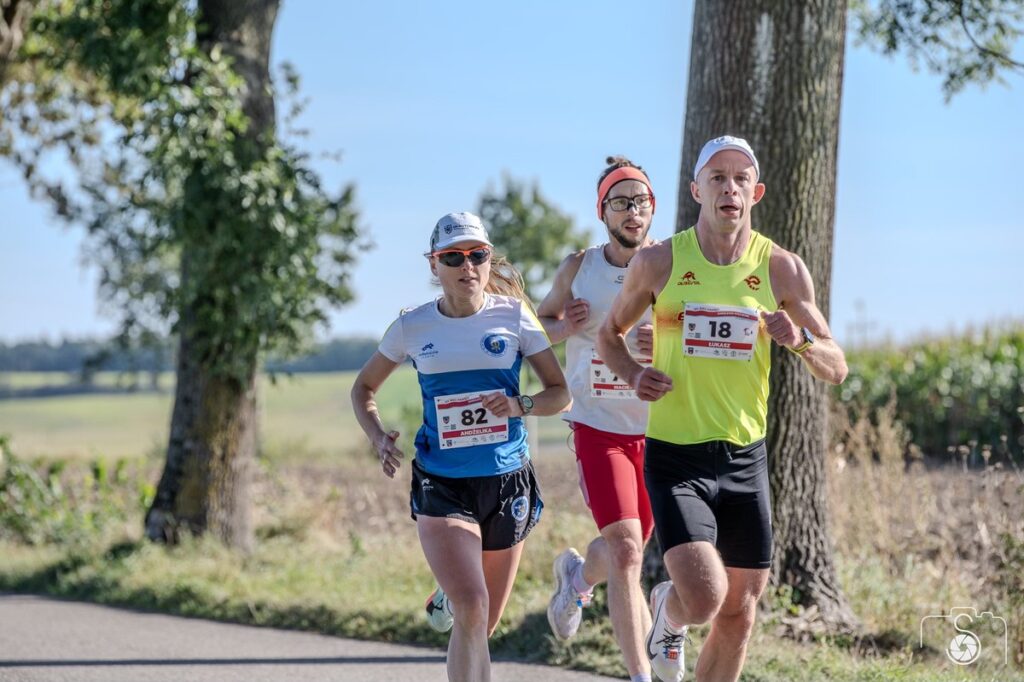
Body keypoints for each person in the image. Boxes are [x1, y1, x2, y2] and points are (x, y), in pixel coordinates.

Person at [596, 136, 848, 682]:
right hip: (676, 456)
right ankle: (668, 608)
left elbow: (836, 364)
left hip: (745, 459)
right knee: (707, 596)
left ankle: (675, 617)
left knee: (740, 611)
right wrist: (635, 374)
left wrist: (799, 340)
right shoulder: (659, 262)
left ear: (754, 193)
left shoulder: (782, 269)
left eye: (740, 179)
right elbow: (609, 334)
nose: (729, 187)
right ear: (696, 191)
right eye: (717, 177)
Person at [351, 211, 571, 682]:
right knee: (473, 606)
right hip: (442, 483)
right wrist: (377, 437)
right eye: (453, 257)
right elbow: (363, 388)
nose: (466, 266)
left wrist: (518, 404)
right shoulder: (413, 326)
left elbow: (560, 392)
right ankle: (456, 591)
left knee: (480, 624)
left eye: (477, 255)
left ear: (490, 261)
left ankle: (449, 592)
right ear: (434, 265)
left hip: (507, 480)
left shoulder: (514, 317)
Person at [537, 156, 658, 682]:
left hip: (659, 430)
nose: (633, 211)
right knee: (628, 551)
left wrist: (665, 346)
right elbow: (537, 326)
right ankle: (643, 674)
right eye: (621, 202)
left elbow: (694, 337)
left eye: (642, 201)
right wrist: (565, 329)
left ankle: (576, 578)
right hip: (599, 427)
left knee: (623, 550)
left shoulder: (668, 265)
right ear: (602, 211)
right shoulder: (578, 268)